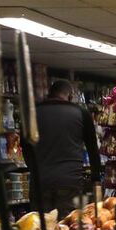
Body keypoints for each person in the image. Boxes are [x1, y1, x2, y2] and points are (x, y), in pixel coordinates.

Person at [33, 79, 101, 217]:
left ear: (49, 94)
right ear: (70, 96)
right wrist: (96, 179)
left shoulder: (33, 113)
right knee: (67, 226)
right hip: (69, 181)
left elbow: (25, 146)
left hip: (40, 181)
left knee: (38, 226)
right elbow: (93, 149)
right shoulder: (81, 113)